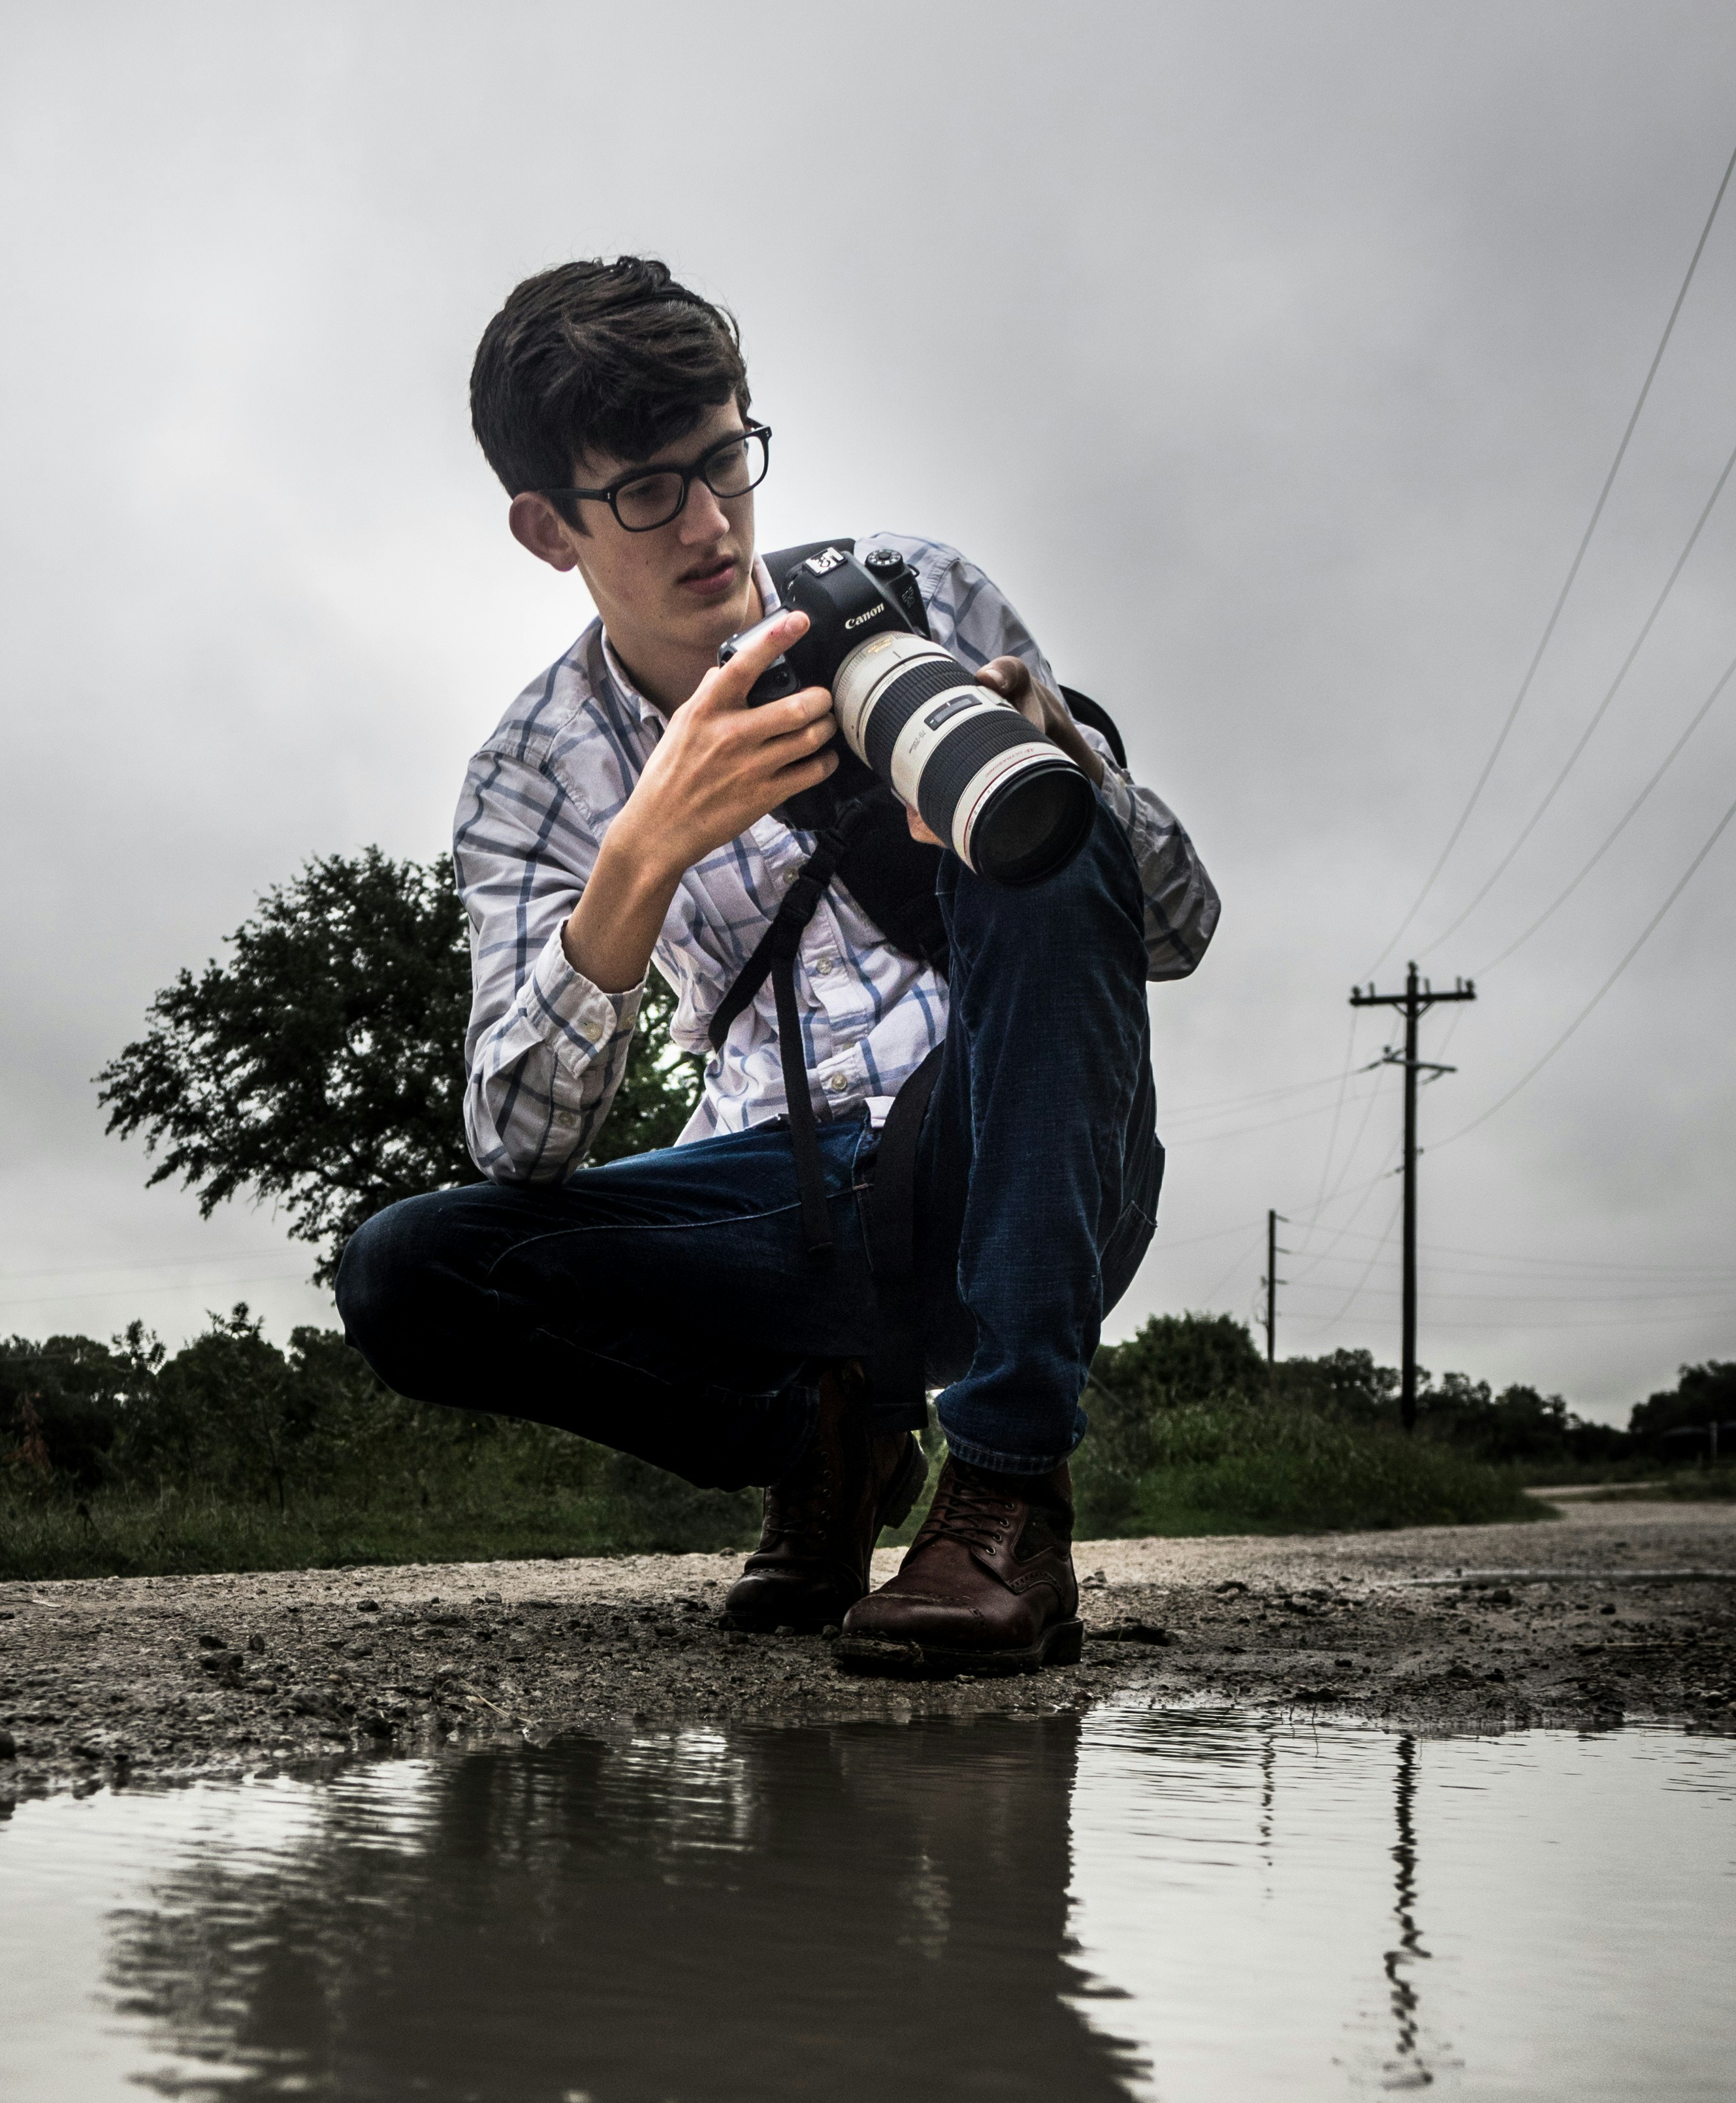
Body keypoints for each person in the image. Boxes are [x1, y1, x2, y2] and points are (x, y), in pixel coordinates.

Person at [336, 257, 1219, 1664]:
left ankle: (1000, 1495)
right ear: (541, 526)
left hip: (1006, 1156)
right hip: (775, 1211)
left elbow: (1173, 928)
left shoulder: (912, 591)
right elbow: (516, 1135)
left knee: (1043, 841)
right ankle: (824, 1442)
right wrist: (639, 858)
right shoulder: (527, 770)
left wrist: (1071, 772)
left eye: (724, 459)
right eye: (643, 489)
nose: (706, 522)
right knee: (405, 1271)